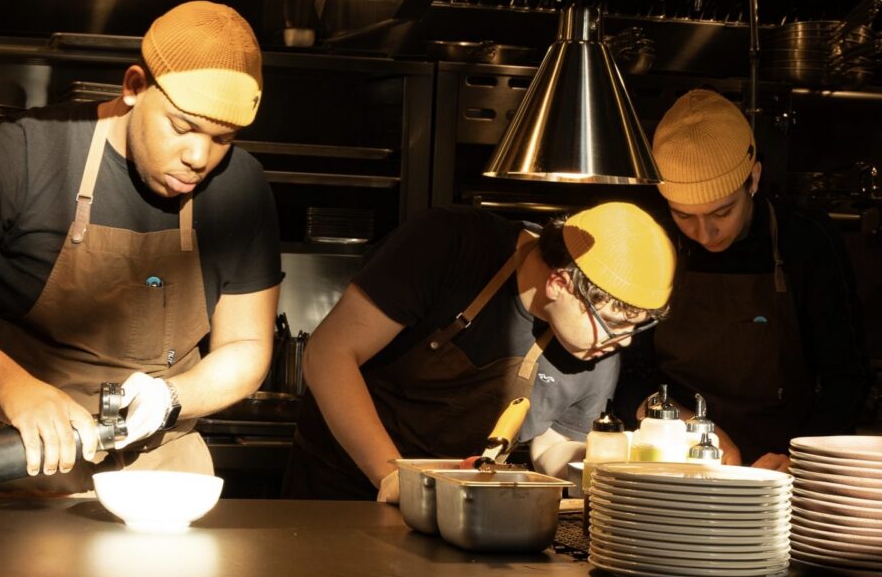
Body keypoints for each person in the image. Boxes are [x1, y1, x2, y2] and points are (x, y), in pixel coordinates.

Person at [0, 1, 282, 494]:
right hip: (23, 459)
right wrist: (11, 385)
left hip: (163, 474)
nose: (198, 157)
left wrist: (170, 397)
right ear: (135, 86)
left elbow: (247, 346)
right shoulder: (24, 155)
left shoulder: (242, 187)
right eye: (182, 127)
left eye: (223, 138)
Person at [283, 201, 676, 502]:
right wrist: (390, 474)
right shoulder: (450, 245)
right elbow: (329, 354)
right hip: (336, 490)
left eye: (638, 327)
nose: (623, 341)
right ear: (560, 284)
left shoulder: (600, 350)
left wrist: (605, 465)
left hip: (460, 513)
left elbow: (549, 446)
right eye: (616, 324)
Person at [632, 88, 869, 471]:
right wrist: (694, 427)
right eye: (684, 216)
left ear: (753, 179)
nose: (705, 234)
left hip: (781, 466)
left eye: (722, 213)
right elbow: (629, 377)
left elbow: (848, 378)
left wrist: (804, 459)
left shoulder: (805, 241)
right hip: (674, 461)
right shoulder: (652, 241)